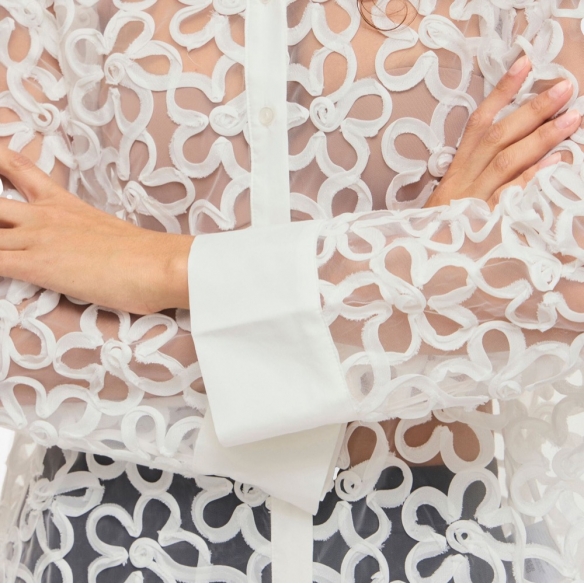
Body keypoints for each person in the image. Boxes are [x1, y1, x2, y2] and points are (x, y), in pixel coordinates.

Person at [0, 0, 583, 581]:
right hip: (115, 533)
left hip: (431, 531)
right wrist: (433, 259)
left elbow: (565, 274)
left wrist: (164, 268)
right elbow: (16, 339)